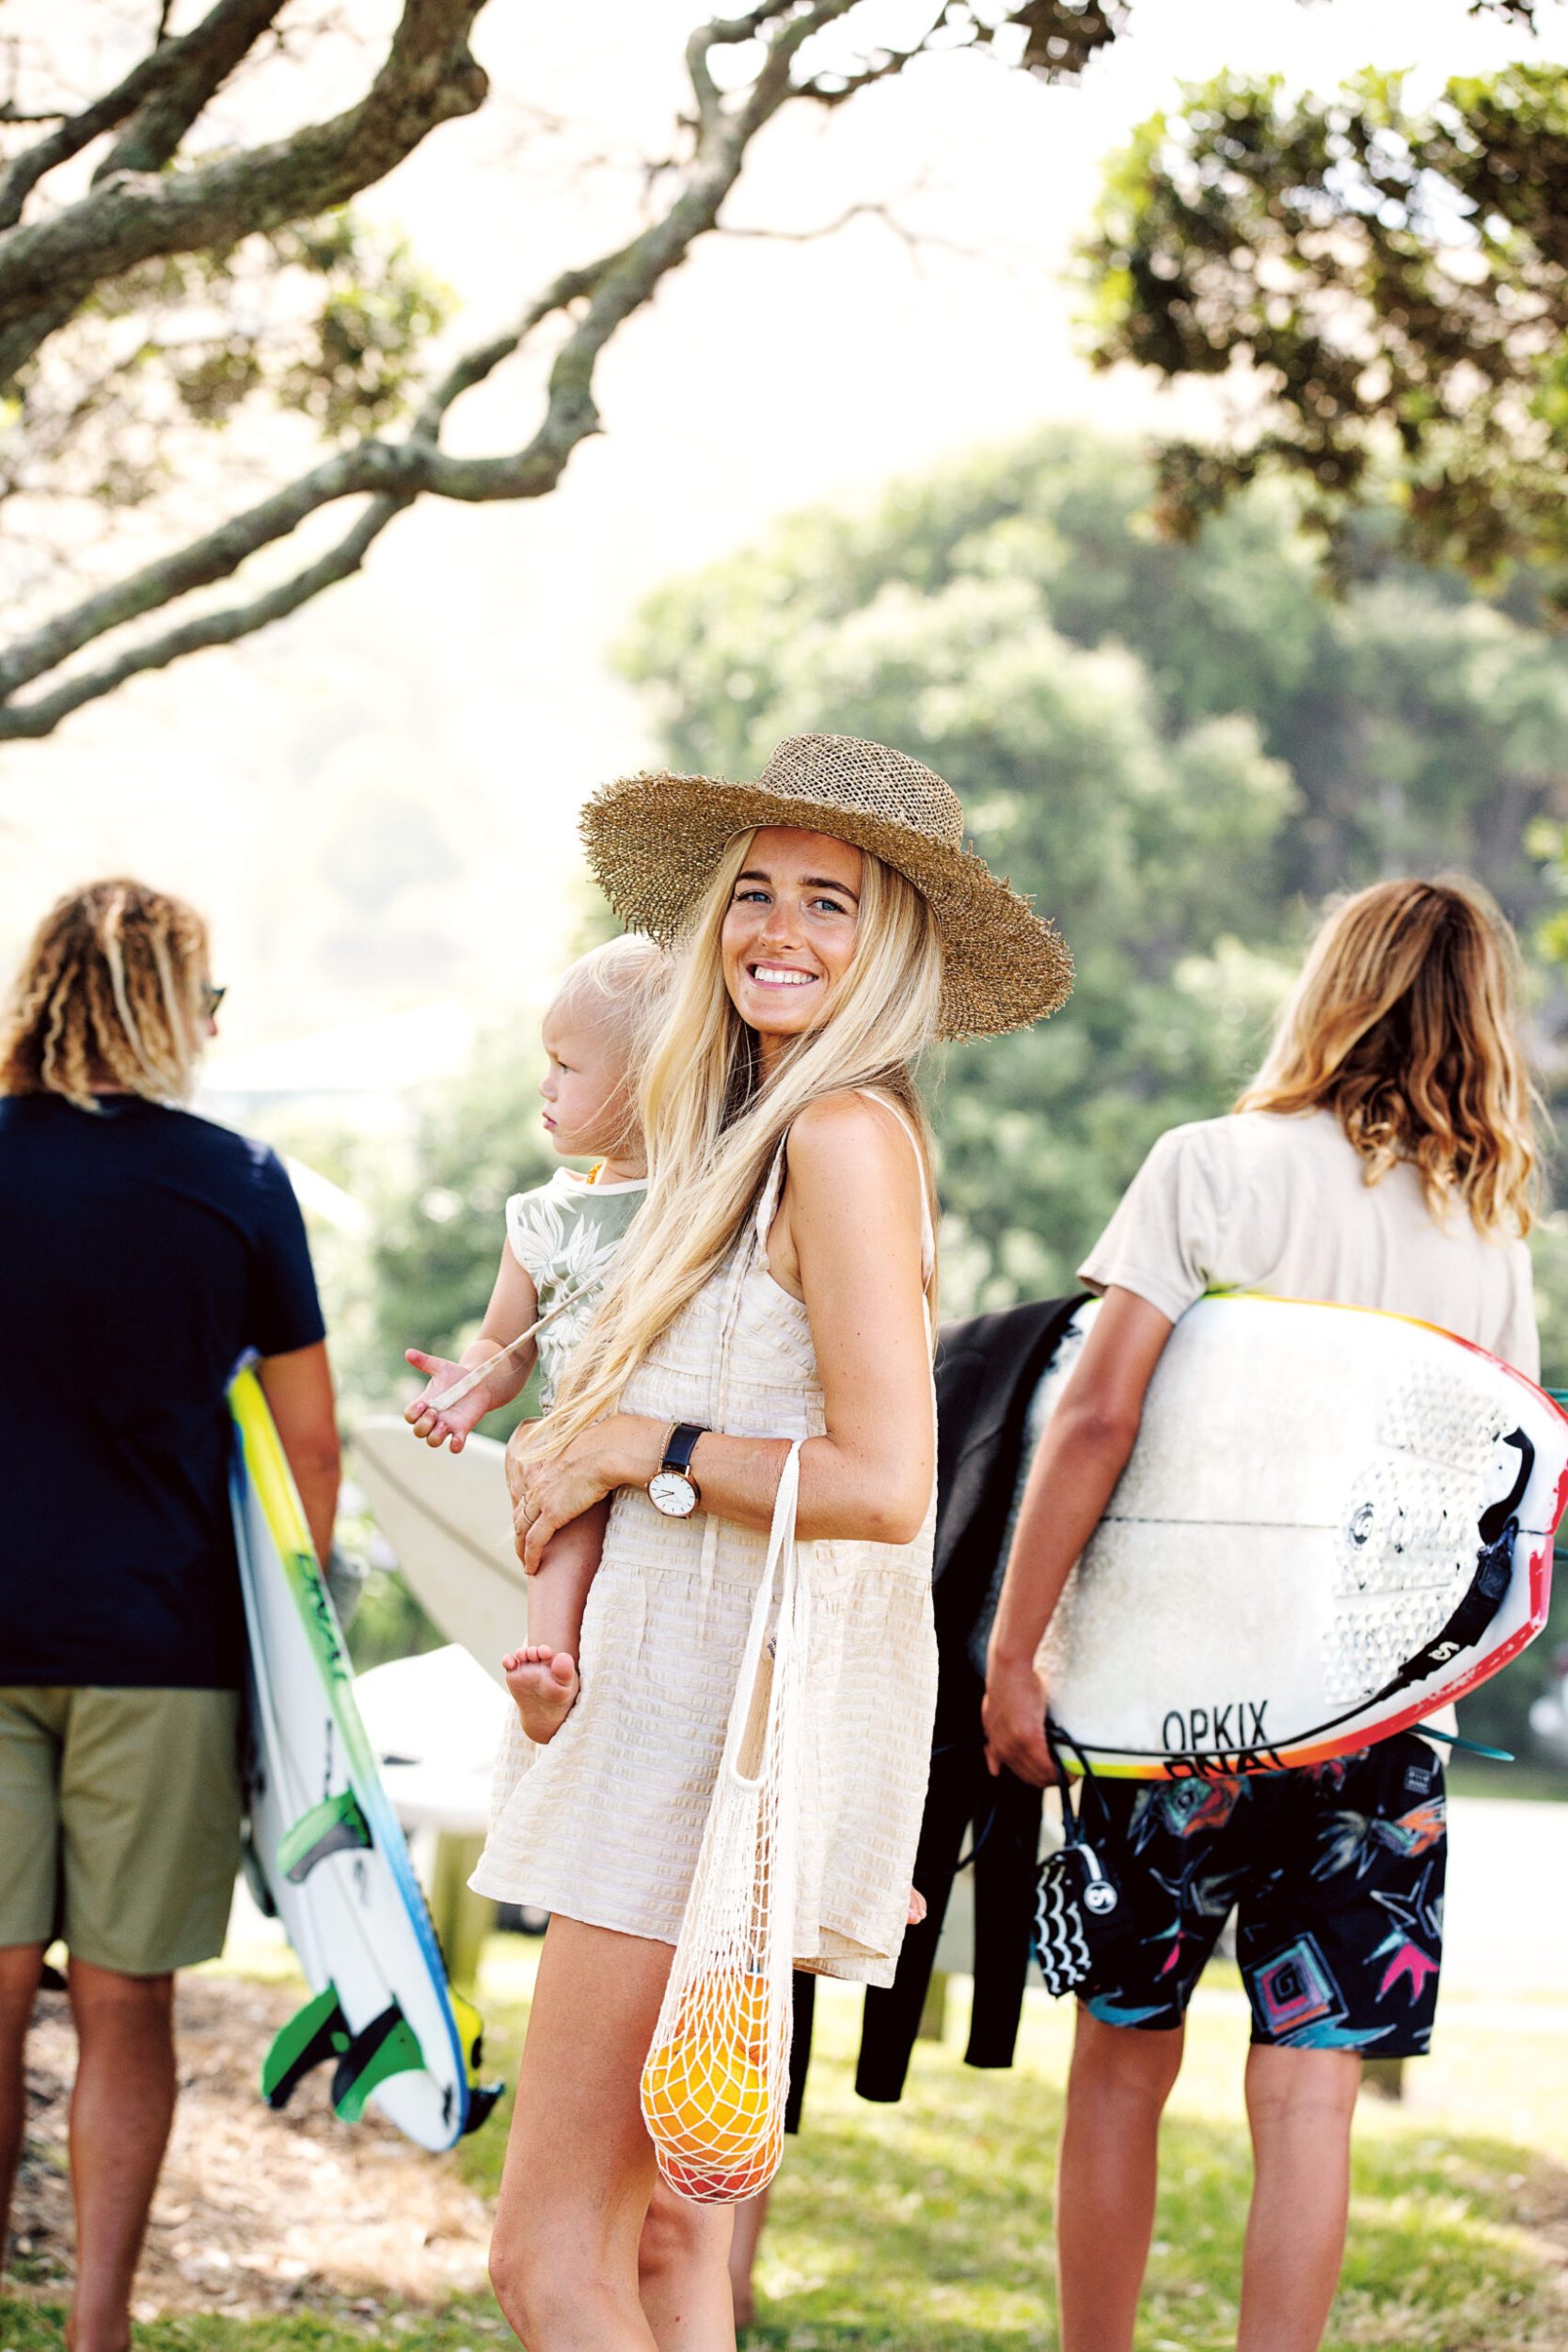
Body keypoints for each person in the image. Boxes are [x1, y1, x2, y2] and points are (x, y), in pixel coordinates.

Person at [473, 733, 1070, 2352]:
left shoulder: (839, 1139)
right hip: (670, 1699)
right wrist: (569, 1452)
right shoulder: (745, 1137)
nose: (777, 932)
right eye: (753, 893)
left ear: (892, 942)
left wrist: (636, 1444)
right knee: (661, 2243)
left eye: (828, 901)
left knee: (549, 2260)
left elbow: (887, 1480)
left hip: (712, 1727)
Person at [982, 877, 1539, 2352]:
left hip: (1172, 1705)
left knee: (1119, 2063)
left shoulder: (1210, 1169)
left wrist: (1014, 1651)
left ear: (1325, 985)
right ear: (1480, 1021)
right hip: (1375, 1716)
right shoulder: (1485, 1231)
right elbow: (1498, 1486)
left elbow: (1095, 1419)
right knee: (1308, 2095)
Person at [0, 879, 340, 2352]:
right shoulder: (238, 1181)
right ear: (170, 1007)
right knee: (126, 2000)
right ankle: (96, 2329)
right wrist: (300, 1660)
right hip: (166, 1652)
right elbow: (311, 1442)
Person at [403, 935, 665, 1742]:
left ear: (651, 1077)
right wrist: (470, 1385)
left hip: (664, 1428)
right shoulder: (542, 1217)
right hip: (577, 1438)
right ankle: (547, 1663)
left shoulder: (701, 1198)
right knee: (558, 1517)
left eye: (566, 1065)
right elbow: (509, 1345)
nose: (544, 1086)